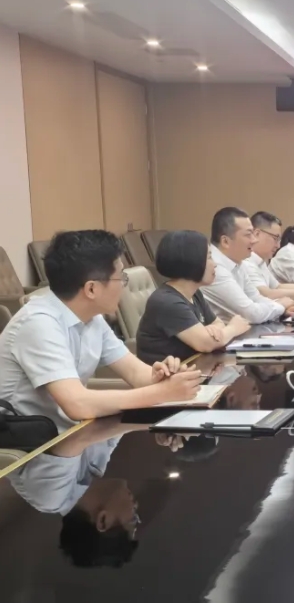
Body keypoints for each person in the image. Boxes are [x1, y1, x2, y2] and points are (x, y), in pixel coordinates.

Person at [0, 230, 201, 431]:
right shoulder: (38, 324)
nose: (124, 286)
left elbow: (134, 372)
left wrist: (164, 377)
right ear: (91, 289)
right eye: (121, 277)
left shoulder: (92, 318)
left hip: (69, 432)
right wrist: (162, 393)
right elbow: (77, 404)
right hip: (25, 441)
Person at [8, 418, 144, 568]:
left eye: (133, 519)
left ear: (103, 520)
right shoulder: (96, 469)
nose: (136, 506)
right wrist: (160, 427)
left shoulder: (51, 497)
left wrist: (158, 421)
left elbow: (81, 436)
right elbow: (119, 420)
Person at [136, 230, 251, 365]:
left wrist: (211, 331)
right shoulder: (167, 302)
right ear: (191, 261)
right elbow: (206, 344)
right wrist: (233, 328)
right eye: (209, 257)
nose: (214, 264)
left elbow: (217, 323)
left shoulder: (195, 293)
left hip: (193, 368)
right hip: (167, 374)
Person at [199, 207, 294, 324]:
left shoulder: (238, 262)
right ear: (225, 241)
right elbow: (251, 314)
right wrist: (281, 305)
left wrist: (282, 309)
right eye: (248, 235)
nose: (254, 240)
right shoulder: (215, 268)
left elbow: (255, 298)